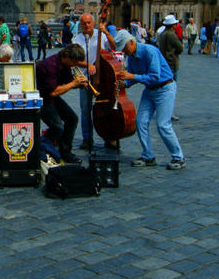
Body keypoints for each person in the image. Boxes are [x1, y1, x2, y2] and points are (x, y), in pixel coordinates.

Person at [114, 32, 185, 170]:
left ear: (131, 42)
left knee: (163, 124)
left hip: (165, 88)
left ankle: (178, 157)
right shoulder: (132, 57)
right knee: (140, 121)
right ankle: (148, 155)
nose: (124, 51)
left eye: (124, 48)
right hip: (150, 90)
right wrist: (124, 83)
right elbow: (134, 78)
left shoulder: (150, 51)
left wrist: (131, 76)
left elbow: (154, 77)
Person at [36, 44, 89, 165]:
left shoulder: (65, 64)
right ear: (66, 57)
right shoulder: (50, 65)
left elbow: (68, 83)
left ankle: (65, 151)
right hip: (41, 98)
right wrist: (74, 83)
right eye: (74, 62)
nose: (75, 65)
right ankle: (41, 147)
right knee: (57, 127)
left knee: (72, 119)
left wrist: (80, 84)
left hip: (51, 97)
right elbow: (54, 92)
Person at [72, 13, 114, 150]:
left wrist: (106, 32)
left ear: (94, 22)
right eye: (84, 23)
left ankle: (109, 137)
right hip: (85, 80)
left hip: (102, 79)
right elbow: (74, 60)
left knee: (106, 109)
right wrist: (87, 65)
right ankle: (87, 138)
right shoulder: (76, 39)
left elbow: (114, 46)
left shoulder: (100, 35)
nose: (86, 25)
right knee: (85, 110)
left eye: (89, 22)